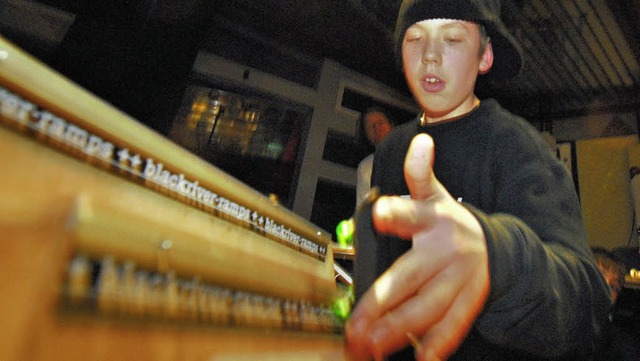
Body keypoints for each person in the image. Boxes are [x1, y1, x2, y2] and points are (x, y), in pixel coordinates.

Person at [346, 1, 613, 360]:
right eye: (415, 38)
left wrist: (496, 261)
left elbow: (587, 307)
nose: (429, 55)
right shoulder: (393, 150)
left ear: (484, 56)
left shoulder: (518, 145)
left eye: (452, 38)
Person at [356, 107, 395, 209]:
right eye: (371, 126)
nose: (377, 128)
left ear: (391, 126)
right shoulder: (366, 167)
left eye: (381, 123)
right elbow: (363, 207)